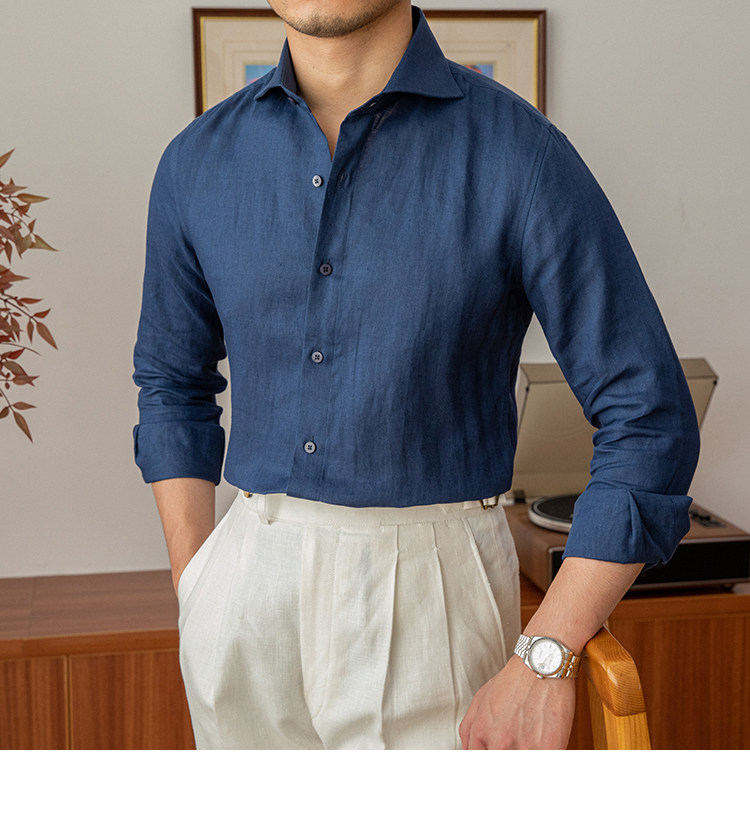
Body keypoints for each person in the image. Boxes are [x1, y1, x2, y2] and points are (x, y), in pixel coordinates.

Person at [133, 1, 699, 749]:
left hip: (433, 587)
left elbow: (649, 415)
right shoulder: (195, 162)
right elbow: (172, 383)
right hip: (243, 582)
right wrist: (198, 585)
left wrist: (549, 652)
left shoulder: (519, 153)